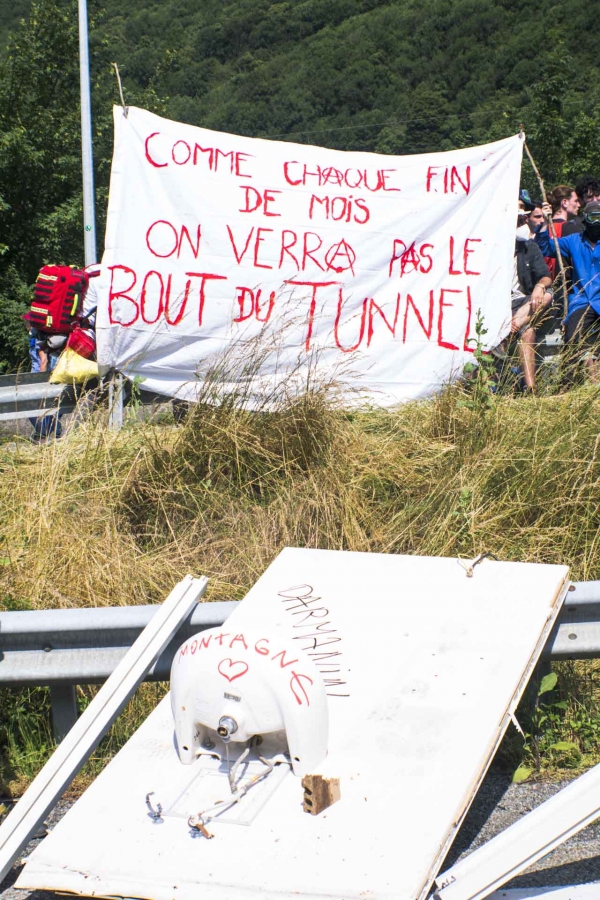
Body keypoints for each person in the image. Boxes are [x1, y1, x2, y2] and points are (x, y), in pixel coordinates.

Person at [535, 199, 600, 380]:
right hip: (582, 300)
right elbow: (546, 247)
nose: (597, 223)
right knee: (572, 338)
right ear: (585, 219)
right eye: (593, 217)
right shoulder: (574, 241)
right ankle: (575, 383)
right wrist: (545, 223)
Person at [504, 206, 553, 392]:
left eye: (520, 220)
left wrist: (539, 286)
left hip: (522, 304)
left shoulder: (528, 247)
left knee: (548, 294)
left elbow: (546, 276)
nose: (518, 224)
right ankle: (529, 386)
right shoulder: (490, 248)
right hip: (498, 304)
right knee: (528, 330)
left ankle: (530, 389)